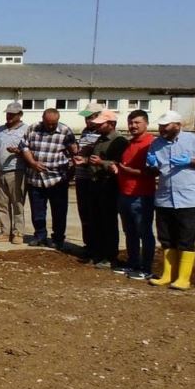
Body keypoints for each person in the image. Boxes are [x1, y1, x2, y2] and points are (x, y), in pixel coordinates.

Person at [146, 111, 195, 290]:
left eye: (166, 126)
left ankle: (184, 278)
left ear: (178, 124)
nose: (163, 129)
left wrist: (190, 161)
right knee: (166, 238)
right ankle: (168, 274)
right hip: (164, 198)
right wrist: (152, 165)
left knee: (185, 238)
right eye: (161, 126)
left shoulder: (194, 140)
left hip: (187, 199)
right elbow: (152, 171)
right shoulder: (156, 144)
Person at [21, 108, 77, 249]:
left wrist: (70, 171)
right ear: (42, 119)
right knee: (37, 211)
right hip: (36, 178)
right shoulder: (33, 128)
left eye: (53, 123)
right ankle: (40, 236)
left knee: (59, 211)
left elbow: (74, 152)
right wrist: (33, 163)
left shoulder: (65, 131)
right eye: (48, 123)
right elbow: (24, 147)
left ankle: (58, 239)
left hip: (57, 179)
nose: (51, 126)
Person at [77, 110, 126, 268]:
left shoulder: (119, 141)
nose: (97, 126)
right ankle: (97, 253)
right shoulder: (100, 139)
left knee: (108, 221)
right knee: (95, 219)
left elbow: (119, 164)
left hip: (108, 185)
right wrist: (85, 160)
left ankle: (110, 256)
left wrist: (100, 163)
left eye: (101, 124)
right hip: (95, 183)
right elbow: (96, 160)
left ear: (111, 124)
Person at [112, 110, 156, 279]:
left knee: (144, 231)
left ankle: (146, 267)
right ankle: (132, 263)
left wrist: (130, 171)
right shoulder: (130, 143)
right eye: (131, 123)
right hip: (125, 193)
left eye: (137, 122)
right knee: (129, 231)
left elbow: (154, 171)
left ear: (146, 123)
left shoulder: (151, 143)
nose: (133, 126)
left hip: (142, 194)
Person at [0, 102, 30, 244]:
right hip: (1, 170)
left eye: (12, 114)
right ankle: (4, 232)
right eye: (8, 114)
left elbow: (30, 150)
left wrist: (19, 152)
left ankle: (18, 233)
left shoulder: (26, 130)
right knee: (2, 204)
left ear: (20, 115)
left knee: (17, 203)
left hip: (17, 170)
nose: (9, 116)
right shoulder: (0, 130)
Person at [73, 102, 106, 258]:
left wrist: (86, 158)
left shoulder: (103, 134)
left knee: (96, 214)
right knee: (84, 212)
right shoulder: (85, 132)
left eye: (90, 117)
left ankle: (98, 246)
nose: (88, 121)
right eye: (86, 118)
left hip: (94, 178)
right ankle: (88, 244)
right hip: (81, 177)